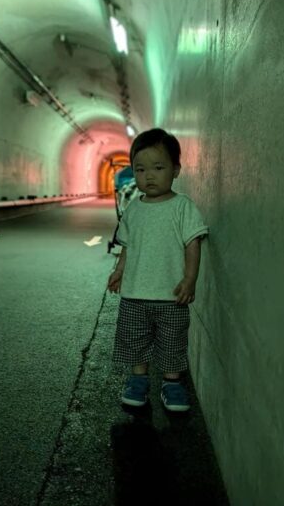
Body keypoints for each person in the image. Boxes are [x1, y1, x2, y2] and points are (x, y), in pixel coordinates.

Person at [107, 128, 209, 412]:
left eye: (158, 167)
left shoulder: (182, 207)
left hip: (171, 295)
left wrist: (190, 279)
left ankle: (171, 383)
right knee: (135, 339)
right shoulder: (133, 209)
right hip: (135, 293)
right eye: (140, 169)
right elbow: (128, 246)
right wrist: (119, 270)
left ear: (176, 170)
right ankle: (138, 381)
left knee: (172, 341)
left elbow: (193, 244)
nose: (148, 176)